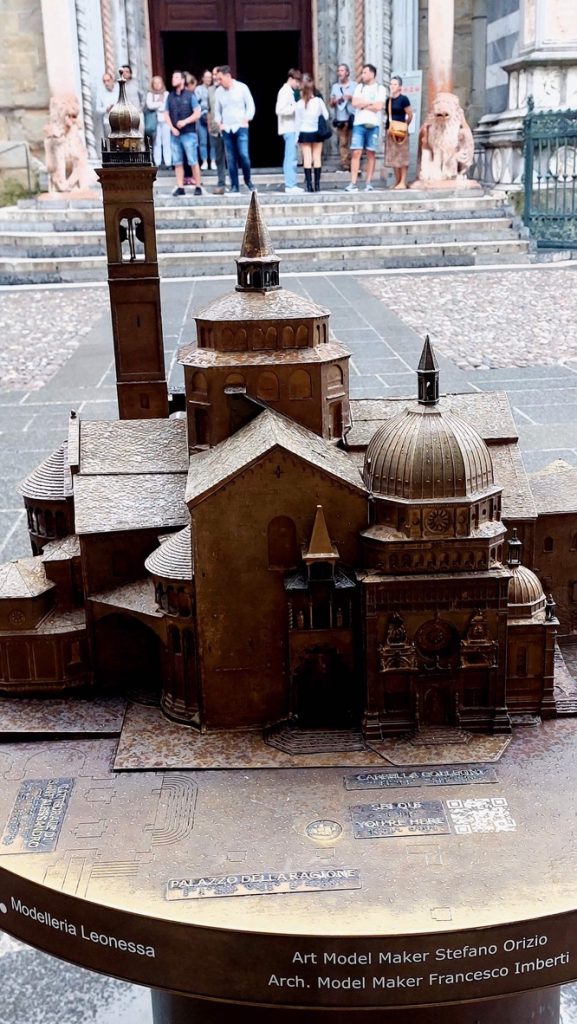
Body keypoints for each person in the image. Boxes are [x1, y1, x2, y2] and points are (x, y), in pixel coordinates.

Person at [346, 63, 386, 193]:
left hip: (373, 124)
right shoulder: (359, 88)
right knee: (356, 152)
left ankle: (368, 182)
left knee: (371, 153)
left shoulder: (380, 89)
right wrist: (370, 104)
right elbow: (355, 103)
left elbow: (379, 106)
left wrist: (364, 104)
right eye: (362, 73)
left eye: (365, 72)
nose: (362, 75)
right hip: (359, 123)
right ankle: (353, 182)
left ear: (372, 74)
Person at [215, 65, 256, 193]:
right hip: (226, 128)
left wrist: (247, 118)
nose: (219, 82)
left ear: (228, 76)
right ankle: (234, 185)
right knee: (230, 159)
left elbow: (250, 105)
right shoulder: (219, 92)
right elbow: (217, 110)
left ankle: (248, 180)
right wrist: (219, 123)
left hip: (240, 127)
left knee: (244, 155)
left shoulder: (242, 88)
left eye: (220, 79)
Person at [165, 70, 202, 196]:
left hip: (188, 133)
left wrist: (185, 122)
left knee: (193, 160)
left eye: (176, 77)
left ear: (182, 80)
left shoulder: (190, 95)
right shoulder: (170, 96)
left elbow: (197, 113)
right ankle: (180, 186)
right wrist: (172, 127)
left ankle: (198, 186)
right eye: (172, 77)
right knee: (177, 161)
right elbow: (166, 113)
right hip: (175, 134)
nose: (173, 79)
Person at [295, 73, 330, 193]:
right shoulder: (318, 101)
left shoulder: (299, 104)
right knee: (317, 158)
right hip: (316, 132)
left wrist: (296, 137)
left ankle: (309, 185)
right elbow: (326, 115)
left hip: (304, 133)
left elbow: (297, 122)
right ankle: (317, 185)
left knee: (307, 159)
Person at [275, 68, 303, 193]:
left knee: (292, 156)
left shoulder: (289, 92)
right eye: (297, 82)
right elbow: (279, 110)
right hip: (288, 127)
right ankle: (290, 184)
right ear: (291, 79)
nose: (298, 85)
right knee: (290, 157)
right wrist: (295, 107)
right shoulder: (285, 92)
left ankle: (292, 183)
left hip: (292, 128)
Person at [384, 74, 413, 189]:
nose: (392, 86)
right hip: (391, 130)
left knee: (402, 156)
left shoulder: (404, 99)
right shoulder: (389, 100)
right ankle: (397, 180)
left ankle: (403, 181)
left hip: (401, 130)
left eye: (395, 84)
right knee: (393, 157)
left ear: (400, 87)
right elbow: (388, 115)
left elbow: (409, 114)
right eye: (391, 84)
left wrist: (405, 126)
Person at [329, 63, 356, 171]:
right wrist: (336, 100)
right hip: (341, 118)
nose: (340, 73)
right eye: (338, 71)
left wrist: (350, 97)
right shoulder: (335, 87)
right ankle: (345, 164)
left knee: (354, 141)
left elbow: (360, 99)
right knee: (343, 142)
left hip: (352, 117)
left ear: (347, 73)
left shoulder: (354, 85)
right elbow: (331, 103)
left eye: (342, 71)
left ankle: (354, 162)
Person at [207, 65, 227, 195]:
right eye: (213, 74)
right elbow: (209, 109)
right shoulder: (210, 90)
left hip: (228, 128)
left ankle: (234, 182)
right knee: (219, 157)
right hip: (215, 129)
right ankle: (221, 181)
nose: (214, 77)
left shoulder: (228, 89)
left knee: (231, 156)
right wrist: (209, 125)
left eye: (216, 74)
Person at [146, 75, 171, 167]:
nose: (157, 85)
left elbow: (166, 106)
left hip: (165, 120)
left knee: (166, 141)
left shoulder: (166, 94)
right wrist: (160, 103)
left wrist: (157, 105)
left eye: (159, 82)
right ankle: (158, 162)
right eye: (155, 83)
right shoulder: (150, 94)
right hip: (155, 121)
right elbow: (149, 105)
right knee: (156, 142)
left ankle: (168, 162)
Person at [195, 70, 214, 171]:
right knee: (203, 141)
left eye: (210, 77)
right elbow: (196, 103)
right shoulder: (198, 89)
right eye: (206, 77)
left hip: (212, 118)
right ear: (202, 78)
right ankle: (205, 161)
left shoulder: (214, 88)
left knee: (213, 141)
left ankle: (214, 161)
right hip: (201, 117)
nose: (208, 79)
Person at [95, 72, 118, 151]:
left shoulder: (118, 90)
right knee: (109, 142)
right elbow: (97, 109)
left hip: (120, 120)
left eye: (108, 80)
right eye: (104, 81)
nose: (106, 83)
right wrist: (106, 109)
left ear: (112, 80)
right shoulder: (101, 93)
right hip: (107, 121)